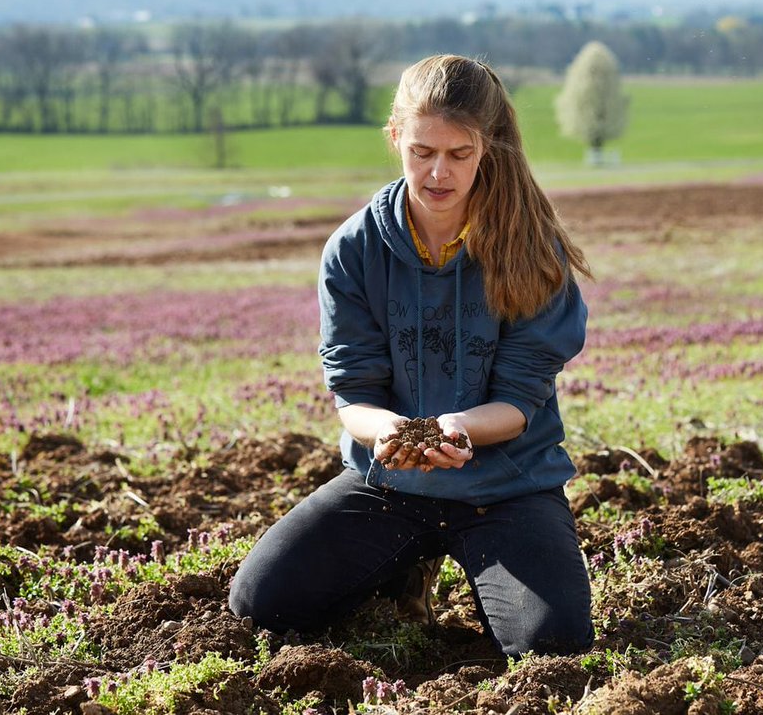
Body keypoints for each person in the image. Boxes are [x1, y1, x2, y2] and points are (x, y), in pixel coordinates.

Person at [229, 54, 595, 658]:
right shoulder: (354, 249)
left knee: (551, 646)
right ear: (396, 138)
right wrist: (393, 434)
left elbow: (519, 398)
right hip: (388, 481)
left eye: (458, 154)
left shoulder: (533, 251)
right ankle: (397, 568)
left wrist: (458, 429)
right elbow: (353, 393)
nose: (437, 173)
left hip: (506, 487)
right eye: (422, 151)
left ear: (489, 148)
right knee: (261, 604)